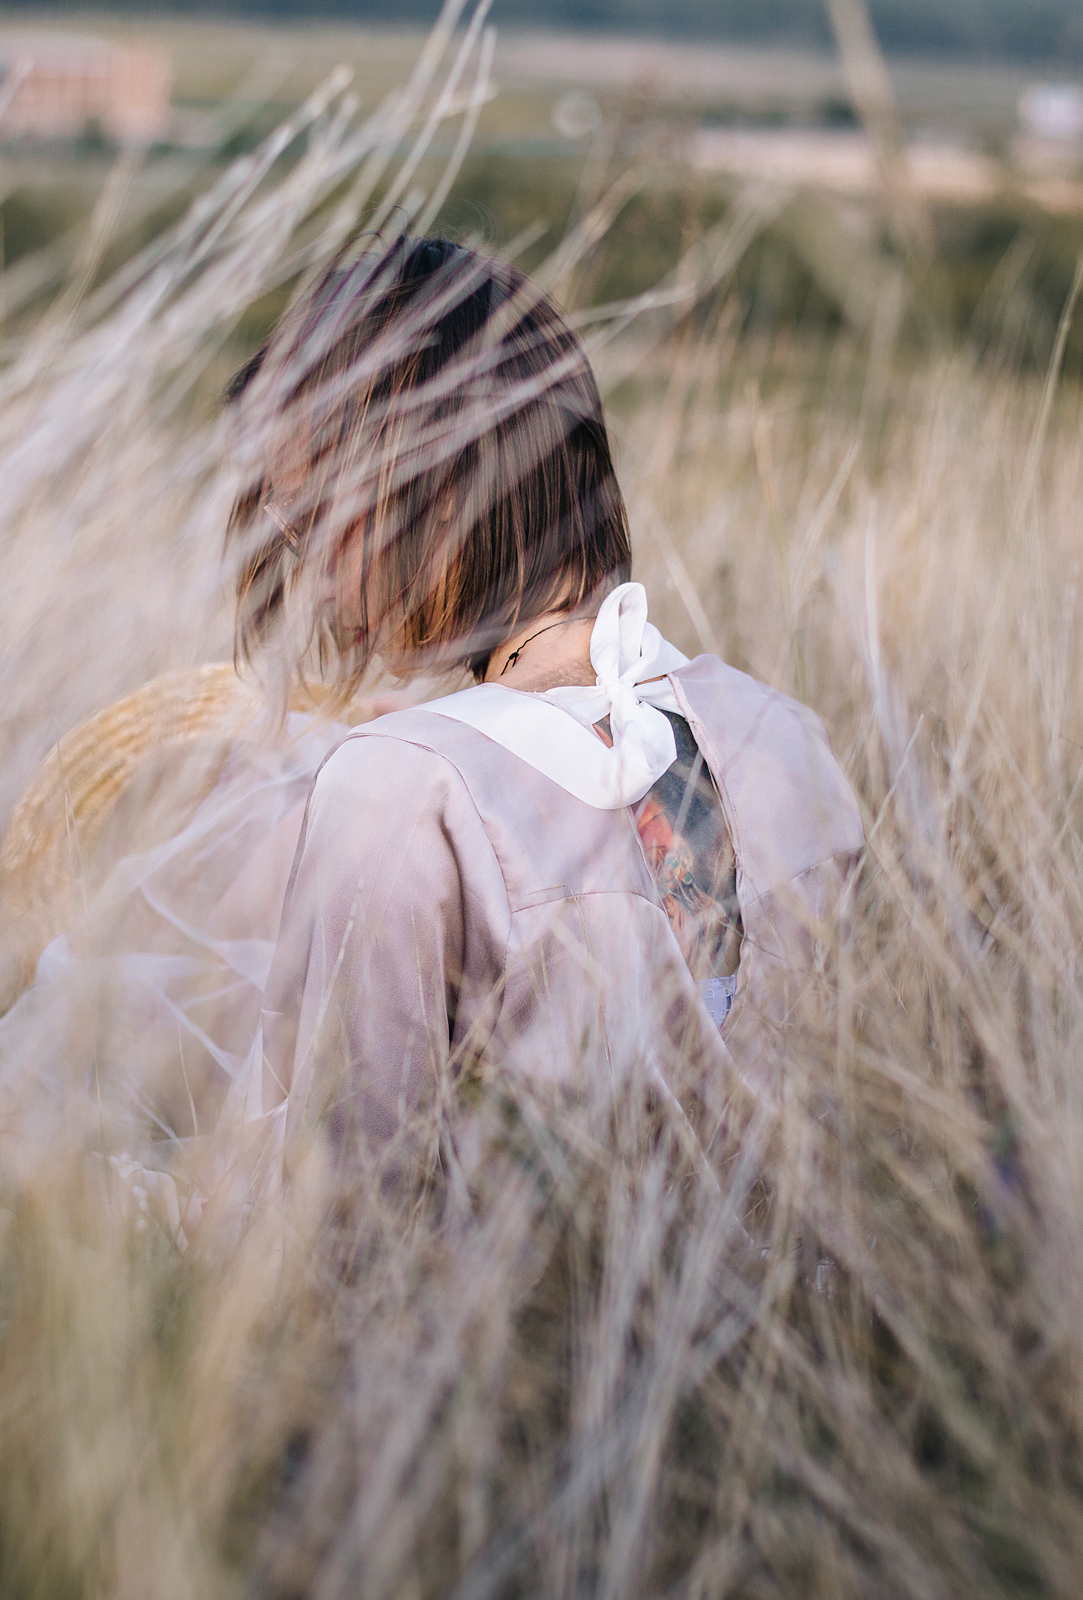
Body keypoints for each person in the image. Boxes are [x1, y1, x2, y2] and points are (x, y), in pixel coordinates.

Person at [226, 236, 862, 1170]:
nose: (312, 579)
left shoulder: (401, 788)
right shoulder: (789, 742)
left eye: (315, 517)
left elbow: (351, 1214)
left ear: (436, 482)